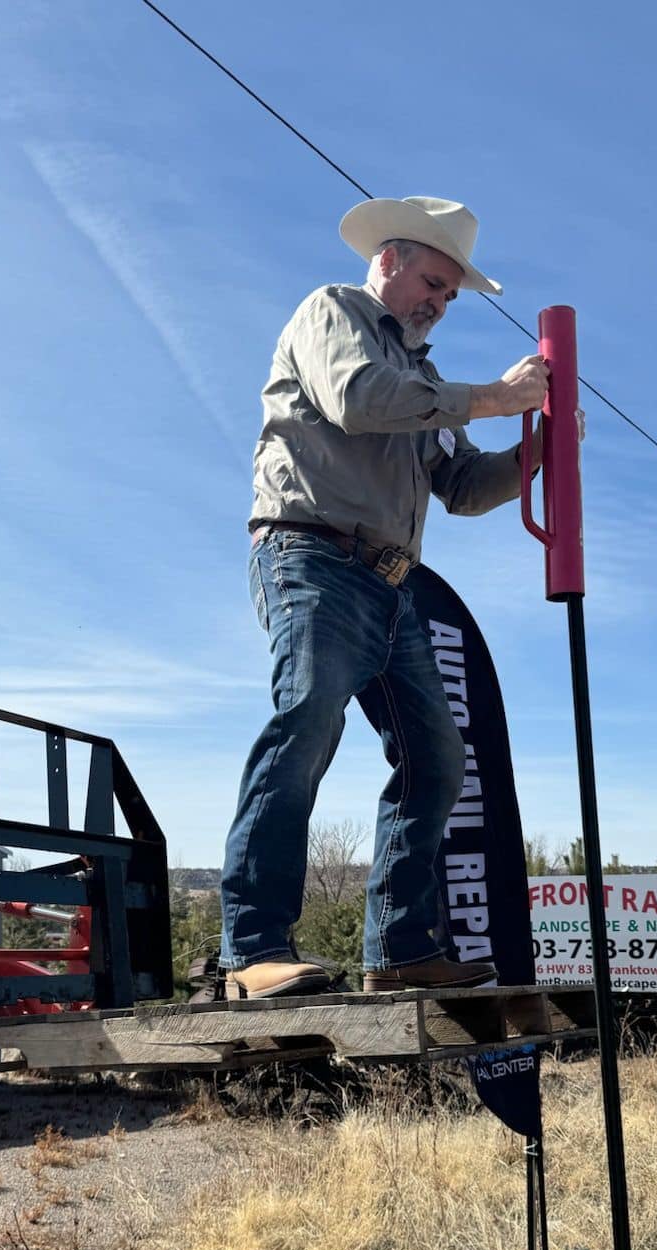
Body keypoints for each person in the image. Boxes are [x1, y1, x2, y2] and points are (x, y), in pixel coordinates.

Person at [220, 195, 549, 1000]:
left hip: (392, 585)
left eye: (450, 294)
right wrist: (498, 397)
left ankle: (399, 949)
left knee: (437, 759)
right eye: (433, 281)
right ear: (389, 261)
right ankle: (250, 952)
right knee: (306, 720)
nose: (439, 302)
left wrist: (534, 452)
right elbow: (360, 400)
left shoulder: (428, 380)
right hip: (313, 556)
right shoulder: (332, 312)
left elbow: (463, 488)